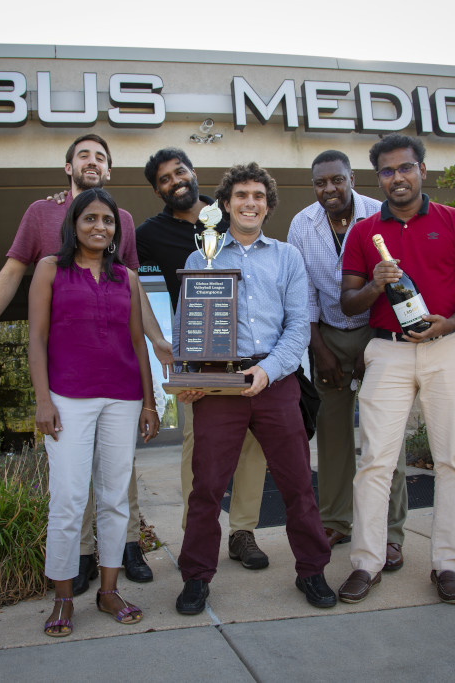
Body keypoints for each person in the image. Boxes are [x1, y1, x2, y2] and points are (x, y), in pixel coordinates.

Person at [0, 134, 165, 590]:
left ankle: (127, 549)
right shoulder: (42, 214)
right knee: (71, 486)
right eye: (84, 155)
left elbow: (133, 293)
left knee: (118, 484)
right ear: (68, 166)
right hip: (68, 377)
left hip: (118, 381)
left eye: (101, 157)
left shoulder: (124, 220)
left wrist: (158, 343)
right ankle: (76, 561)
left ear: (110, 170)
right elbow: (13, 269)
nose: (92, 162)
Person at [339, 134, 455, 605]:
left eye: (405, 168)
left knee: (451, 460)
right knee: (375, 463)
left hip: (445, 347)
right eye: (387, 172)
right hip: (386, 352)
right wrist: (374, 285)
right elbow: (348, 303)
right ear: (378, 179)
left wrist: (450, 324)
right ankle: (366, 564)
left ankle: (447, 564)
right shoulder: (365, 232)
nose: (397, 178)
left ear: (422, 170)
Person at [174, 162, 336, 615]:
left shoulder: (287, 257)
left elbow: (298, 326)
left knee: (298, 484)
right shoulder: (201, 256)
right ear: (225, 204)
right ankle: (196, 577)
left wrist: (269, 369)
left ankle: (312, 570)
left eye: (258, 196)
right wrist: (189, 375)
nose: (250, 202)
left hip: (276, 381)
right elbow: (188, 321)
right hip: (218, 387)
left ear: (267, 205)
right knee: (206, 486)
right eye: (241, 195)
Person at [29, 188, 160, 637]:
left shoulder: (128, 277)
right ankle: (64, 599)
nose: (100, 227)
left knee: (113, 498)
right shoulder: (50, 269)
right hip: (67, 398)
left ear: (116, 230)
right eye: (90, 219)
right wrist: (43, 399)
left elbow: (138, 342)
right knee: (67, 499)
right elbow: (37, 339)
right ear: (74, 224)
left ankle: (108, 591)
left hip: (122, 398)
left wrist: (149, 400)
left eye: (108, 221)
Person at [135, 148, 270, 571]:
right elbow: (124, 281)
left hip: (247, 354)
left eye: (180, 171)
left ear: (193, 173)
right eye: (164, 179)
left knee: (252, 447)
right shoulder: (149, 234)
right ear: (157, 190)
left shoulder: (232, 209)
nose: (175, 180)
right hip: (199, 358)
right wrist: (159, 341)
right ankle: (199, 534)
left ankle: (243, 532)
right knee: (198, 450)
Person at [288, 150, 409, 568]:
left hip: (378, 332)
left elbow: (395, 284)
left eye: (336, 180)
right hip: (327, 336)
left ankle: (390, 533)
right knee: (333, 436)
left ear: (351, 178)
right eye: (320, 183)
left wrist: (375, 341)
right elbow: (301, 294)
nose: (329, 190)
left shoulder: (380, 214)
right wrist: (317, 349)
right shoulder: (302, 224)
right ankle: (336, 520)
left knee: (383, 438)